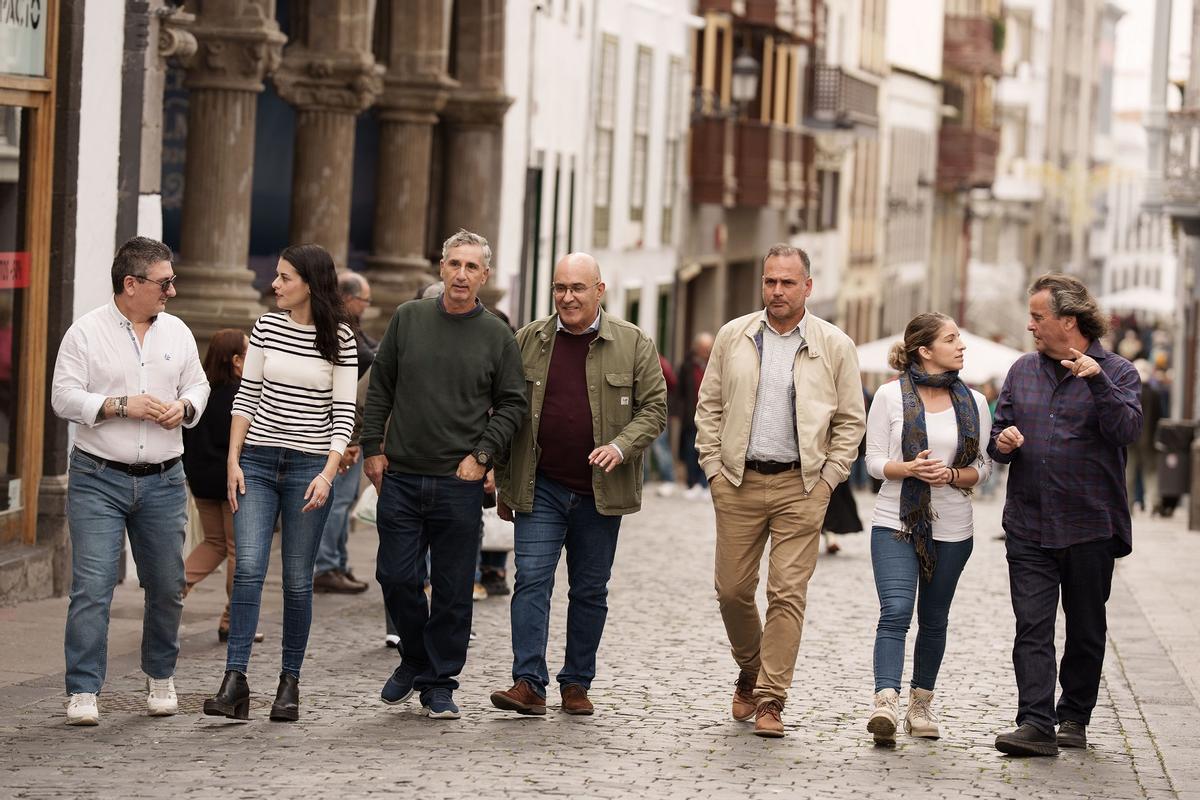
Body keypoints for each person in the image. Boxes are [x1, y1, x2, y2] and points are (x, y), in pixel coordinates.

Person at [695, 243, 865, 738]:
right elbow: (709, 406)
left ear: (808, 287)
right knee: (731, 591)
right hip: (738, 482)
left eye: (787, 282)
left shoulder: (835, 345)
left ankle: (771, 697)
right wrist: (712, 467)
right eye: (770, 281)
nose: (776, 291)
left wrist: (829, 478)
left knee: (787, 594)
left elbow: (851, 422)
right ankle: (750, 667)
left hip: (802, 485)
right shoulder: (734, 336)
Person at [490, 253, 667, 716]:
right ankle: (528, 682)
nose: (567, 297)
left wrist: (621, 445)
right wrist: (505, 485)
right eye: (560, 288)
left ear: (599, 290)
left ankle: (576, 682)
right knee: (531, 580)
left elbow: (654, 410)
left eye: (577, 288)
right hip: (541, 485)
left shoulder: (633, 343)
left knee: (589, 590)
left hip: (599, 491)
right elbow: (506, 410)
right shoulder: (528, 340)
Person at [364, 229, 526, 720]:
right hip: (402, 476)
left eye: (471, 267)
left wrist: (483, 456)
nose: (461, 274)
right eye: (454, 264)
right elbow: (381, 388)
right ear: (441, 268)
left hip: (459, 483)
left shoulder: (496, 334)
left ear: (484, 277)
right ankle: (414, 656)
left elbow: (514, 404)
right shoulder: (408, 319)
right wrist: (372, 447)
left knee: (454, 590)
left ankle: (439, 682)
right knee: (395, 576)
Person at [50, 236, 210, 725]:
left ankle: (160, 674)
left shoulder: (178, 332)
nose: (172, 291)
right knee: (93, 587)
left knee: (165, 585)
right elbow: (63, 397)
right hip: (98, 477)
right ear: (131, 284)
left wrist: (183, 408)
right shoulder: (85, 333)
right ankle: (82, 689)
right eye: (165, 282)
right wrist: (121, 405)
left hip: (164, 480)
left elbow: (198, 384)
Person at [203, 243, 357, 723]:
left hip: (309, 468)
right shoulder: (266, 326)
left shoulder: (342, 339)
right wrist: (233, 460)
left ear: (309, 283)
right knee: (248, 568)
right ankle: (235, 681)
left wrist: (328, 475)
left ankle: (289, 682)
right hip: (258, 465)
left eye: (285, 277)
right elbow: (246, 396)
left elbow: (344, 415)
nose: (275, 284)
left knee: (296, 580)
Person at [990, 274, 1141, 757]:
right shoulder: (1021, 371)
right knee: (1031, 625)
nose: (1030, 325)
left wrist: (1097, 383)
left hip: (1090, 525)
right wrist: (1003, 442)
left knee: (1084, 626)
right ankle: (1035, 721)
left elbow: (1127, 431)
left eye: (1038, 317)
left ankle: (1073, 716)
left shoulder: (1118, 372)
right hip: (1029, 524)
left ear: (1068, 321)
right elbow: (999, 434)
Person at [863, 313, 992, 744]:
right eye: (952, 339)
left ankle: (921, 703)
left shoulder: (974, 401)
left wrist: (952, 477)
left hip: (954, 525)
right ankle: (885, 700)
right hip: (896, 519)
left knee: (934, 617)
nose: (962, 346)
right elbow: (873, 461)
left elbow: (982, 467)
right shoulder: (888, 396)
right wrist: (910, 469)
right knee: (896, 610)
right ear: (925, 349)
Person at [181, 329, 263, 644]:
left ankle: (173, 591)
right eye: (249, 352)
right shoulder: (241, 396)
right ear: (236, 361)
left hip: (201, 480)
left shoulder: (200, 392)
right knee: (236, 550)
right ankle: (234, 619)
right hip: (233, 481)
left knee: (214, 542)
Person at [312, 271, 378, 594]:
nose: (366, 307)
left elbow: (372, 351)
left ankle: (338, 562)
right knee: (336, 500)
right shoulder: (338, 329)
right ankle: (326, 565)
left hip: (352, 426)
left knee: (346, 498)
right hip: (342, 427)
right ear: (350, 299)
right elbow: (367, 358)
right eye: (364, 301)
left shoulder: (352, 327)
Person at [676, 332, 713, 499]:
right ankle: (692, 483)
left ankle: (705, 484)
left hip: (711, 416)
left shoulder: (714, 363)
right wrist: (677, 412)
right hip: (691, 416)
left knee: (708, 451)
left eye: (709, 347)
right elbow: (679, 391)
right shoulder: (687, 365)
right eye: (704, 348)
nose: (706, 351)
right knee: (691, 451)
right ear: (697, 348)